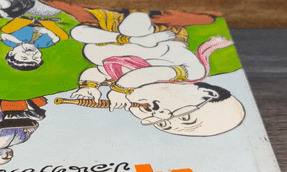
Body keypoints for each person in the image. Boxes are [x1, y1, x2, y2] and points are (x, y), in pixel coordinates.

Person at [70, 11, 244, 137]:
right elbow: (150, 73)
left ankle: (129, 28)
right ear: (208, 93)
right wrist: (119, 90)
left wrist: (89, 87)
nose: (159, 114)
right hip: (157, 33)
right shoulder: (191, 74)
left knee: (78, 33)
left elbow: (96, 71)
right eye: (185, 117)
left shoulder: (126, 80)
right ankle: (139, 12)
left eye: (162, 124)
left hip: (114, 36)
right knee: (135, 29)